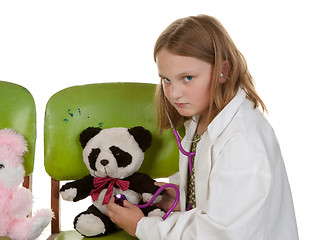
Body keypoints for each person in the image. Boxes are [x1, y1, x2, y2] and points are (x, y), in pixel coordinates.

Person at [107, 14, 299, 239]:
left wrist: (142, 227)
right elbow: (214, 187)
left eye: (187, 77)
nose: (174, 93)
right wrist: (179, 198)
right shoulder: (202, 121)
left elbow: (224, 232)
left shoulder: (243, 141)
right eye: (166, 79)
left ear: (223, 71)